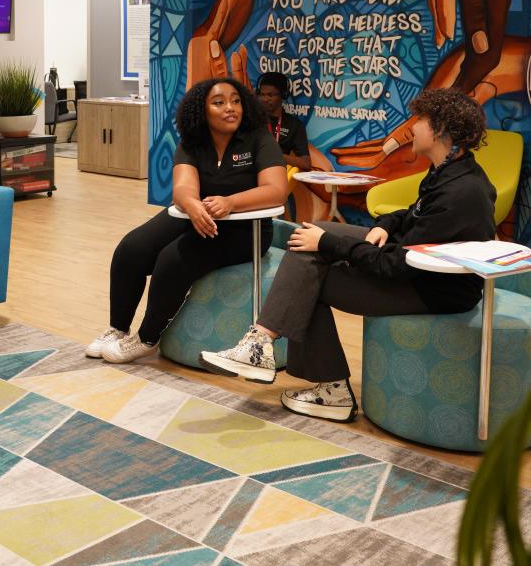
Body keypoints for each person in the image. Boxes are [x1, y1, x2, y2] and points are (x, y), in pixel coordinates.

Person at [199, 88, 496, 422]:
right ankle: (262, 346)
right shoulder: (451, 170)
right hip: (414, 265)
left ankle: (314, 378)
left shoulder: (460, 193)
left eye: (421, 120)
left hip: (433, 290)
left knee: (310, 276)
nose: (413, 127)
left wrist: (328, 244)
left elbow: (394, 266)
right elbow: (414, 214)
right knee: (308, 235)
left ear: (440, 130)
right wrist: (385, 223)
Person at [86, 77, 288, 363]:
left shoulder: (259, 138)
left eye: (235, 101)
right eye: (219, 103)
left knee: (172, 259)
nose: (230, 108)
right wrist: (193, 206)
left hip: (246, 228)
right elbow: (182, 188)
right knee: (131, 249)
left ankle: (146, 339)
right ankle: (117, 328)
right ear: (201, 111)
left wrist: (231, 202)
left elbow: (276, 190)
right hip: (197, 215)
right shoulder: (193, 142)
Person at [256, 71, 311, 171]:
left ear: (283, 95)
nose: (264, 99)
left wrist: (276, 155)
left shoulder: (294, 125)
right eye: (262, 94)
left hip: (277, 174)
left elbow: (305, 163)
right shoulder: (252, 120)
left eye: (270, 95)